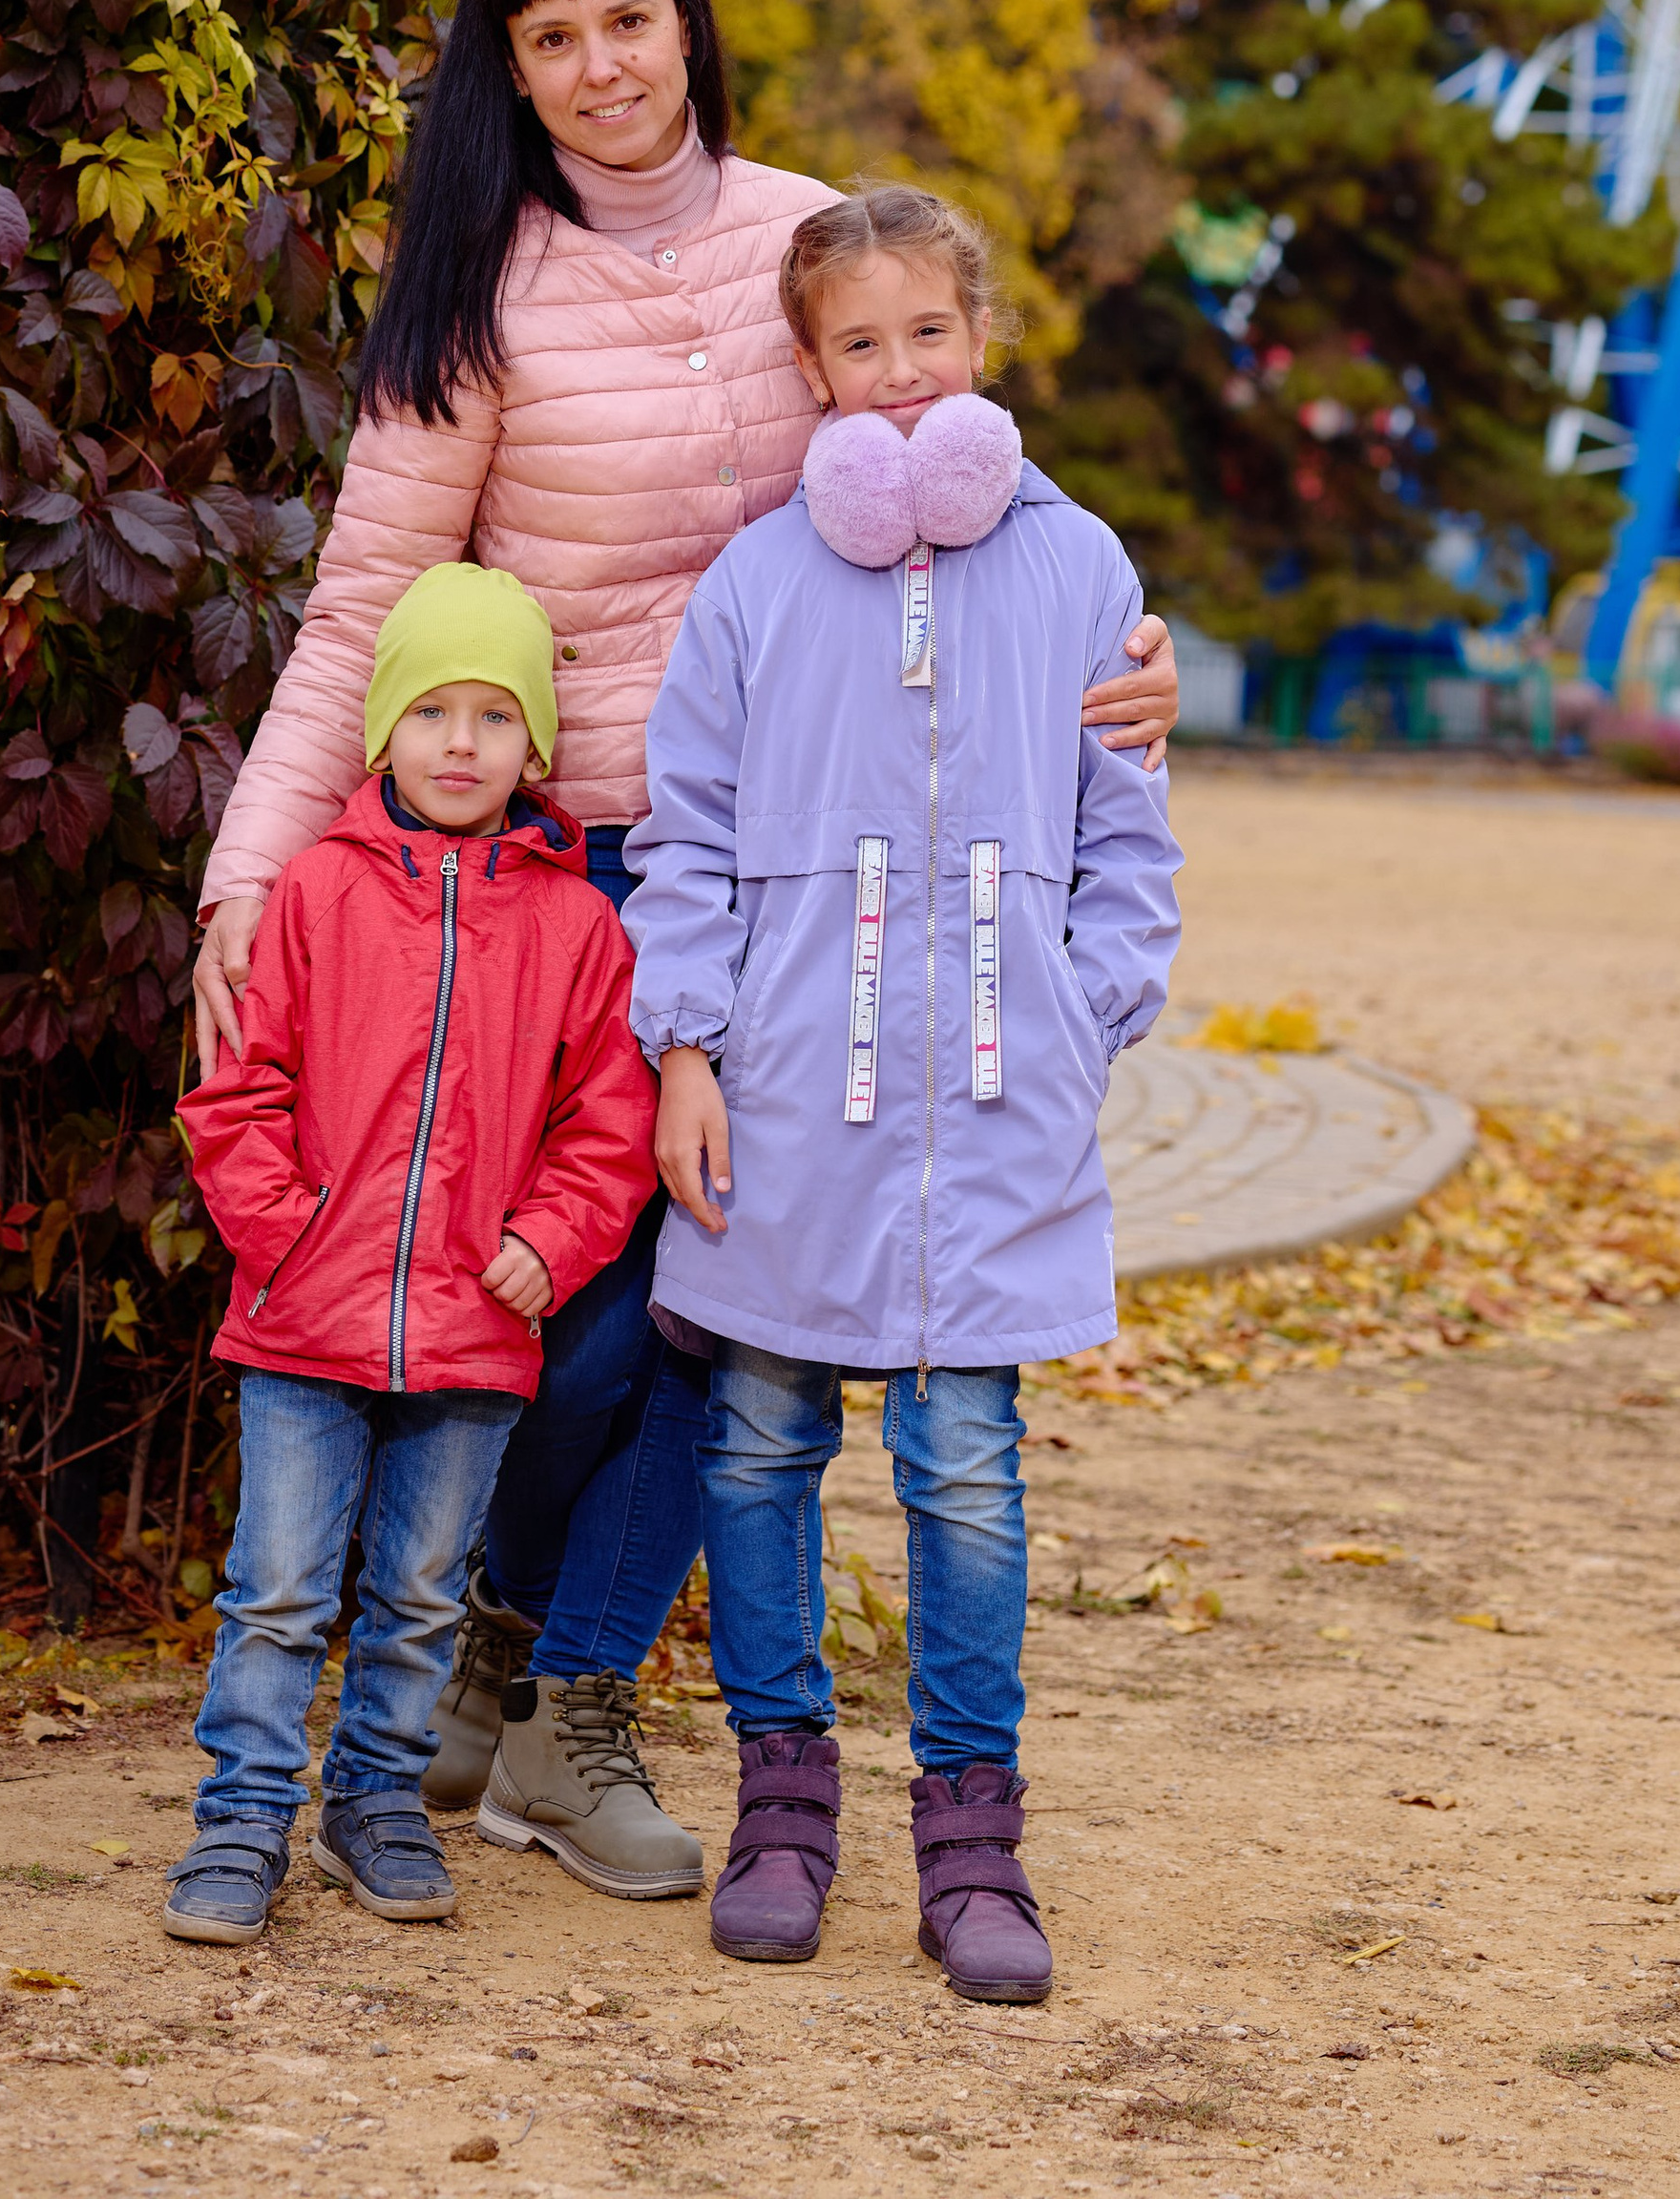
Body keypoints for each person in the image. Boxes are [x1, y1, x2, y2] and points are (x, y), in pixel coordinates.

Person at [189, 0, 1180, 1903]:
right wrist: (250, 878)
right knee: (593, 1311)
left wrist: (1126, 636)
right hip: (577, 866)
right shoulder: (473, 295)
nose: (600, 65)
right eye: (550, 34)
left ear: (686, 26)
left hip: (806, 871)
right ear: (509, 68)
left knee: (714, 1322)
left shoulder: (798, 234)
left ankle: (557, 1708)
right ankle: (486, 1651)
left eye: (627, 17)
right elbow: (364, 603)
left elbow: (956, 454)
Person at [625, 184, 1183, 2003]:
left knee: (967, 1472)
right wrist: (689, 1047)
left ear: (981, 339)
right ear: (811, 370)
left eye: (926, 334)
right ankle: (783, 1807)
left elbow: (1129, 836)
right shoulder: (757, 582)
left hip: (998, 1104)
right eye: (857, 345)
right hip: (785, 1094)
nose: (896, 372)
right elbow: (686, 836)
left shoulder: (1079, 569)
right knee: (759, 1444)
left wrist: (1086, 1014)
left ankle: (973, 1841)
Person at [163, 564, 656, 1945]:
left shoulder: (576, 924)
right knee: (277, 1589)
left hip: (474, 1328)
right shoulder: (315, 893)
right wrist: (287, 1233)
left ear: (536, 745)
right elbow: (236, 1088)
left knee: (422, 1593)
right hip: (301, 1320)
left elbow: (608, 1122)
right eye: (431, 710)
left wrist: (548, 1244)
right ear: (384, 729)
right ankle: (241, 1818)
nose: (459, 743)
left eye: (495, 716)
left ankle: (376, 1802)